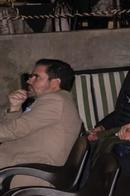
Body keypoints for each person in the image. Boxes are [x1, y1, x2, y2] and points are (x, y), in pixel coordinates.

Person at [0, 59, 82, 187]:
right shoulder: (52, 100)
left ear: (55, 82)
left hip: (29, 174)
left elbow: (14, 131)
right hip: (17, 164)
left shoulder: (55, 100)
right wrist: (14, 108)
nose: (29, 81)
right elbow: (17, 129)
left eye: (35, 77)